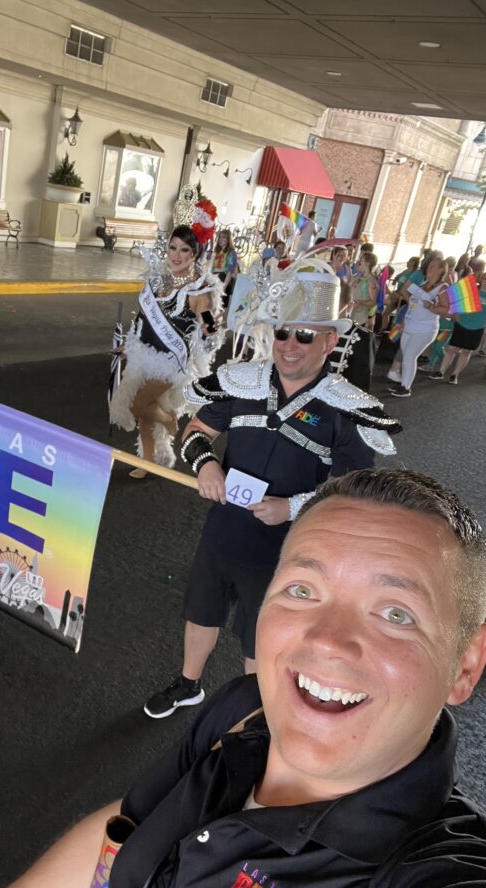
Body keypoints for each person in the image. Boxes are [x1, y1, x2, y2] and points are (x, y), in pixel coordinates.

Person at [0, 467, 486, 888]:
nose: (329, 640)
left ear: (465, 665)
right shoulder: (243, 710)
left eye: (395, 613)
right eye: (302, 589)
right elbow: (125, 826)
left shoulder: (431, 884)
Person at [142, 256, 399, 718]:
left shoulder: (347, 407)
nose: (290, 345)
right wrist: (205, 467)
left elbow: (355, 492)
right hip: (223, 529)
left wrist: (294, 507)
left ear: (329, 340)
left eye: (304, 334)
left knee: (262, 636)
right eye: (282, 332)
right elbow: (195, 431)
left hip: (289, 548)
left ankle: (251, 716)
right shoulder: (243, 382)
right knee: (201, 610)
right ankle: (188, 685)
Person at [109, 226, 223, 477]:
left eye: (184, 250)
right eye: (173, 247)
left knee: (137, 406)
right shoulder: (160, 278)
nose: (176, 255)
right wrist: (128, 344)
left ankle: (169, 420)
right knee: (145, 420)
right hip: (143, 356)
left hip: (170, 364)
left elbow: (209, 323)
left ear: (194, 254)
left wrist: (210, 326)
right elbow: (143, 319)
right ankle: (146, 463)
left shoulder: (199, 291)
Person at [387, 250, 448, 397]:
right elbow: (412, 305)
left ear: (441, 270)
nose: (429, 269)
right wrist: (402, 322)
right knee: (407, 355)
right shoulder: (423, 283)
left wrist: (432, 307)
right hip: (409, 325)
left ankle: (406, 387)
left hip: (425, 330)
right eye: (429, 266)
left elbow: (446, 309)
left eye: (433, 267)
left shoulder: (442, 287)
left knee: (409, 356)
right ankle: (403, 383)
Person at [431, 259, 486, 384]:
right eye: (485, 279)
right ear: (481, 280)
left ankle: (454, 375)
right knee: (451, 348)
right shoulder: (471, 290)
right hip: (462, 323)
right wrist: (455, 313)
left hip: (477, 327)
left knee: (466, 351)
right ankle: (441, 371)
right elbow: (455, 300)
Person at [211, 228, 239, 304]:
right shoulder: (217, 251)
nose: (221, 239)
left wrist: (223, 288)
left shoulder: (231, 253)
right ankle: (207, 316)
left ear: (228, 240)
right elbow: (212, 269)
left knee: (220, 308)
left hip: (224, 281)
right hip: (214, 280)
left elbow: (229, 272)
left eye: (224, 237)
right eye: (219, 237)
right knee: (210, 305)